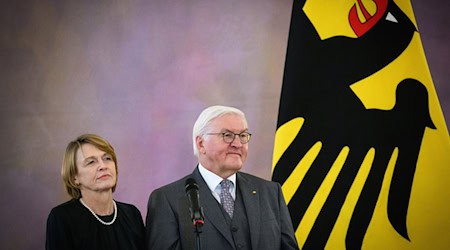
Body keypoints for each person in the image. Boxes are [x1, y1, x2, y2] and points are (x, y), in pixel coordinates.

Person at [145, 105, 299, 250]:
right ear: (201, 144)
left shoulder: (270, 192)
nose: (238, 144)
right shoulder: (167, 199)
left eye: (243, 135)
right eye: (227, 135)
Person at [46, 134, 145, 250]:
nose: (103, 166)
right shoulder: (62, 218)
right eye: (91, 162)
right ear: (74, 177)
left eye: (107, 158)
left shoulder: (132, 214)